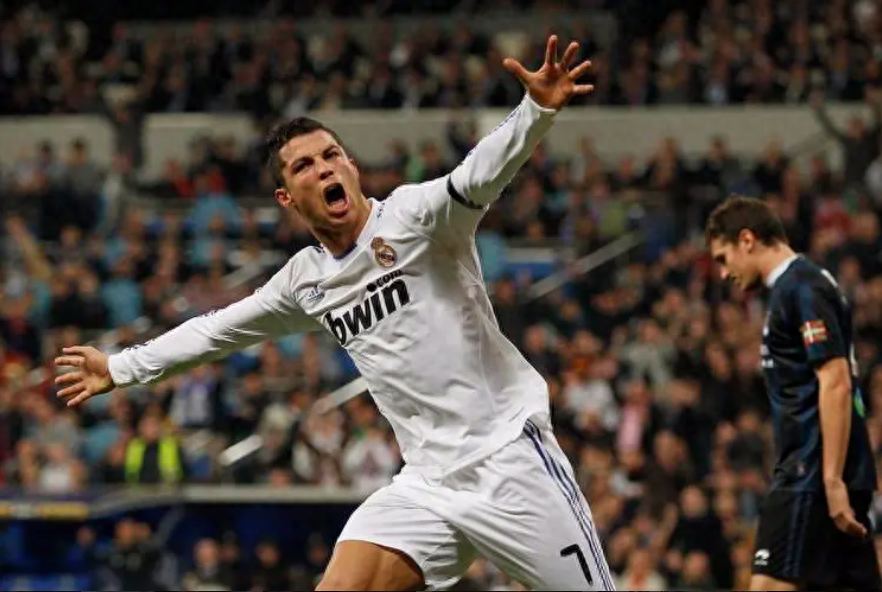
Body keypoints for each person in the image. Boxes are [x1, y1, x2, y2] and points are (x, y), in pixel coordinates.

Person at [54, 35, 615, 591]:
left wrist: (535, 110)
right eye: (303, 166)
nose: (323, 170)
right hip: (428, 484)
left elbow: (477, 175)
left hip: (509, 459)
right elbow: (216, 330)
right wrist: (119, 368)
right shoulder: (305, 281)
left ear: (351, 165)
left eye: (330, 156)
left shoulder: (414, 218)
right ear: (286, 197)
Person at [705, 196, 881, 591]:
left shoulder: (801, 287)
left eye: (723, 258)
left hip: (810, 474)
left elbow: (834, 380)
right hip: (827, 471)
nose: (723, 273)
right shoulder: (797, 287)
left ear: (746, 240)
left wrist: (831, 480)